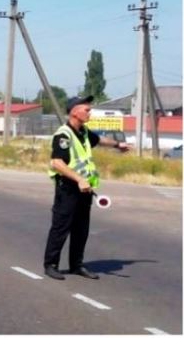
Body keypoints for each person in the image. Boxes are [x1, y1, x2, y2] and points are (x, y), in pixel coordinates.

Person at [43, 95, 130, 280]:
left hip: (85, 189)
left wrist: (117, 144)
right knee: (61, 227)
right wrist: (78, 179)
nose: (90, 112)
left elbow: (98, 140)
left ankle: (76, 265)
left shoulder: (83, 132)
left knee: (81, 229)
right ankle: (50, 265)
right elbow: (56, 163)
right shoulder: (63, 135)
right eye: (87, 109)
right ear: (74, 111)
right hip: (68, 188)